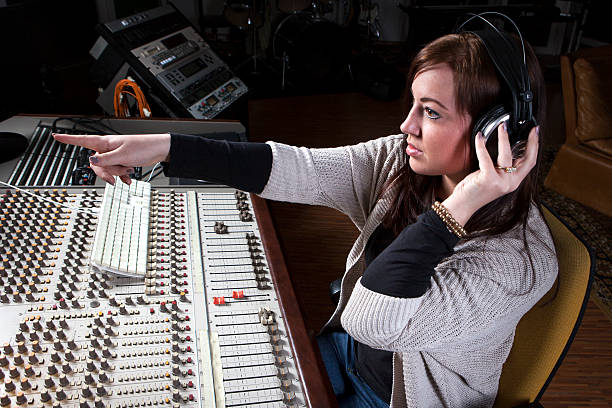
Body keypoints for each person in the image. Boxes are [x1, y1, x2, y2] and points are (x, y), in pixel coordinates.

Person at [54, 29, 558, 408]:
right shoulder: (399, 163)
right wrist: (161, 147)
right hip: (344, 351)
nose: (406, 126)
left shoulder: (518, 263)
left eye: (431, 112)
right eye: (413, 105)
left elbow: (373, 319)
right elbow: (297, 168)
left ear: (496, 131)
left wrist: (459, 206)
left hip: (392, 398)